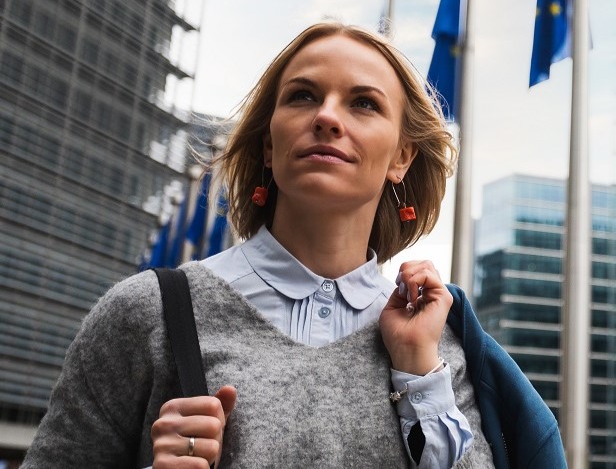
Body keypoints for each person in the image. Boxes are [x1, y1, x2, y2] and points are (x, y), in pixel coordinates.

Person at [24, 23, 565, 468]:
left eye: (363, 104)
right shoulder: (145, 313)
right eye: (303, 96)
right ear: (268, 141)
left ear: (402, 157)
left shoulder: (442, 345)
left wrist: (419, 374)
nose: (327, 116)